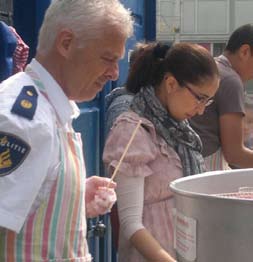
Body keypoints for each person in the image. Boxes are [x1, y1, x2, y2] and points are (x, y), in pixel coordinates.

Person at [0, 0, 133, 261]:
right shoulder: (24, 121)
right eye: (108, 58)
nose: (115, 73)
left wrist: (74, 197)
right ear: (66, 43)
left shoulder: (50, 109)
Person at [103, 42, 219, 262]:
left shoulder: (180, 130)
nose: (202, 109)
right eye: (200, 98)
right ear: (171, 83)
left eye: (208, 101)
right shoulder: (132, 130)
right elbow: (130, 223)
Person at [190, 24, 253, 171]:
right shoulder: (231, 80)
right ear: (245, 52)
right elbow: (234, 154)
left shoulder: (212, 69)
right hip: (206, 168)